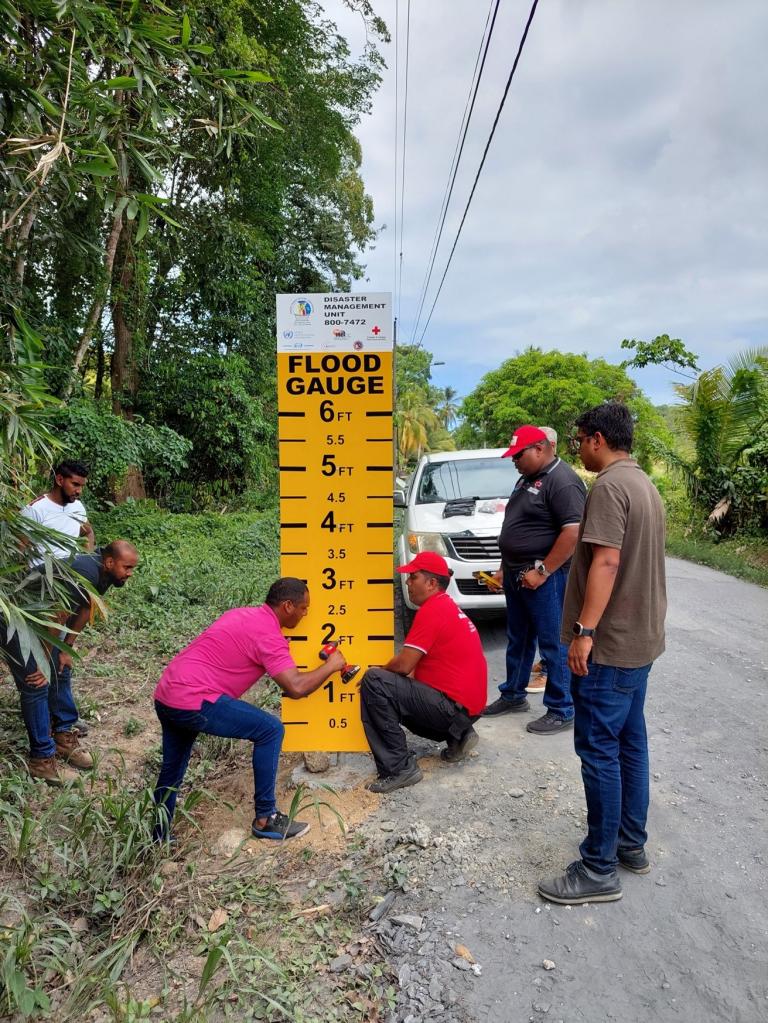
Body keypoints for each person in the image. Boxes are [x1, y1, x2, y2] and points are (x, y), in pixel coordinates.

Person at [538, 402, 667, 905]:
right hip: (641, 642)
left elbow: (608, 561)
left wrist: (584, 631)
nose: (579, 452)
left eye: (579, 442)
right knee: (630, 743)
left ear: (596, 439)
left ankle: (598, 868)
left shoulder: (611, 486)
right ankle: (629, 845)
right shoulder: (644, 484)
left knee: (599, 751)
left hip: (612, 646)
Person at [151, 577, 346, 843]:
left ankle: (158, 836)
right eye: (304, 608)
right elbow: (297, 686)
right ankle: (266, 818)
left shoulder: (241, 614)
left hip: (167, 692)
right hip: (194, 697)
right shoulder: (269, 635)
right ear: (288, 606)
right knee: (270, 729)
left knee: (173, 768)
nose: (305, 614)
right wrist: (332, 666)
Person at [1, 541, 139, 785]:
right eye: (127, 567)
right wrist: (43, 661)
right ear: (109, 562)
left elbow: (86, 607)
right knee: (36, 684)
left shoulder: (102, 573)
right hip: (14, 616)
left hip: (41, 620)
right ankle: (41, 761)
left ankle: (63, 737)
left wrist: (67, 649)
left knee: (61, 668)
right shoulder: (87, 570)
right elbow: (58, 615)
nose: (130, 573)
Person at [482, 426, 586, 734]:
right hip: (517, 573)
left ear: (540, 449)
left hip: (545, 577)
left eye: (518, 455)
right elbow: (516, 527)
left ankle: (562, 708)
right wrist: (504, 567)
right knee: (519, 639)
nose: (514, 461)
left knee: (552, 643)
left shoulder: (563, 481)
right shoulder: (526, 479)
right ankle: (513, 694)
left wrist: (542, 572)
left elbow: (573, 533)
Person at [359, 552, 487, 794]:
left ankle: (398, 769)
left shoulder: (433, 610)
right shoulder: (447, 606)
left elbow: (403, 665)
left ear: (431, 583)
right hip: (466, 710)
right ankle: (460, 735)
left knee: (374, 681)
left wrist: (380, 671)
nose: (407, 582)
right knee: (394, 683)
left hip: (451, 711)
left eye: (413, 577)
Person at [21, 459, 95, 564]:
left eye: (82, 486)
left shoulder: (78, 507)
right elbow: (19, 550)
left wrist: (88, 560)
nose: (79, 491)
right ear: (60, 480)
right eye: (75, 484)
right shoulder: (34, 510)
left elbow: (88, 532)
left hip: (72, 573)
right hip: (43, 576)